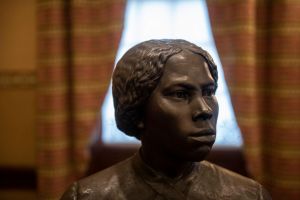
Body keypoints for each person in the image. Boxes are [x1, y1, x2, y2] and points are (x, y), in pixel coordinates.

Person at [61, 39, 271, 199]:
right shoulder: (87, 196)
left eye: (208, 92)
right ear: (137, 107)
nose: (205, 109)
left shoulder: (249, 195)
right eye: (180, 94)